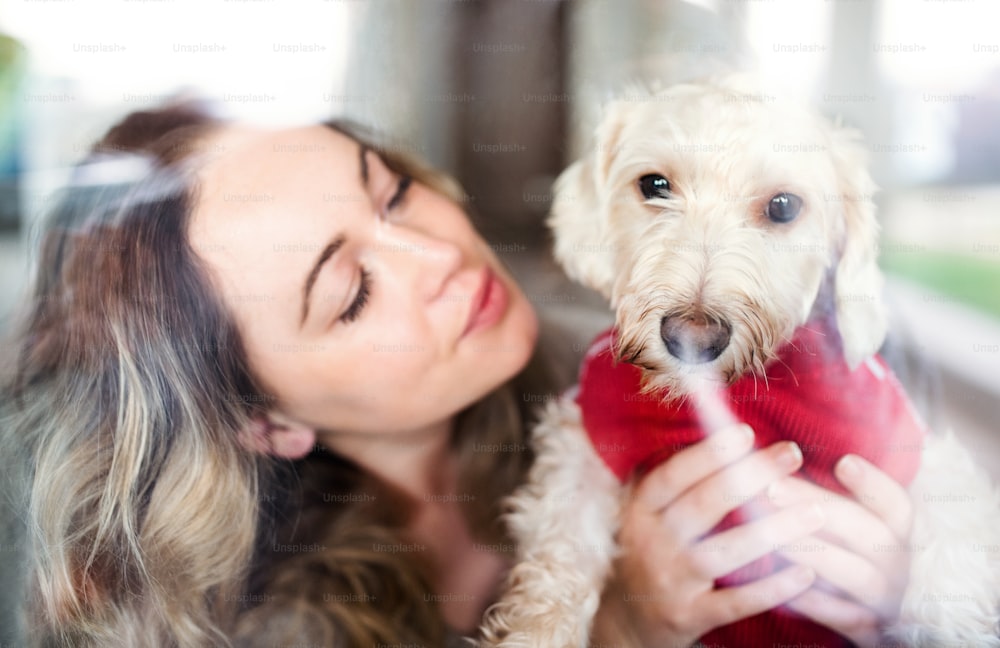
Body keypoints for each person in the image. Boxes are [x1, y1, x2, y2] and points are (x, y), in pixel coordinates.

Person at [0, 103, 914, 647]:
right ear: (262, 421)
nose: (435, 252)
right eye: (352, 290)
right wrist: (626, 626)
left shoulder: (627, 375)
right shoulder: (259, 628)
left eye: (391, 190)